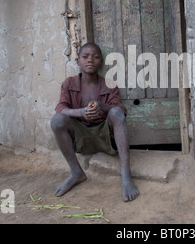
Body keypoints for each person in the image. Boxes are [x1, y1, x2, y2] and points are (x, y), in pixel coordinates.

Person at [50, 42, 139, 202]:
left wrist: (101, 107)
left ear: (101, 62)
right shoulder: (69, 84)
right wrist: (81, 112)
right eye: (85, 57)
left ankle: (125, 174)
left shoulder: (109, 84)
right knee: (57, 120)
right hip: (80, 135)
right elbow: (61, 108)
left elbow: (120, 109)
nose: (90, 60)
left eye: (95, 57)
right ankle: (76, 172)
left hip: (105, 135)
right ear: (78, 61)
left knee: (117, 112)